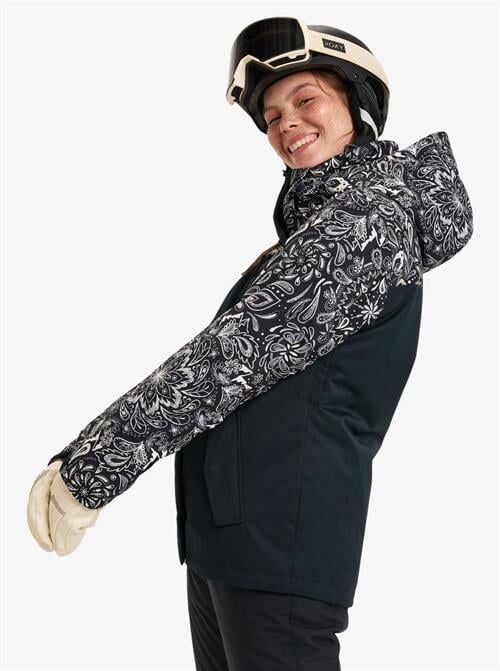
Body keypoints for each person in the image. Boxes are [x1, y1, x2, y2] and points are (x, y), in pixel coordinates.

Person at [27, 16, 474, 671]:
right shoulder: (314, 232)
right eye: (271, 116)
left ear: (355, 104)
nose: (287, 123)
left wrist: (90, 468)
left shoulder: (364, 225)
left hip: (280, 539)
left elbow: (229, 359)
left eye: (306, 99)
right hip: (236, 539)